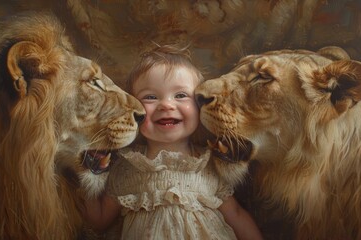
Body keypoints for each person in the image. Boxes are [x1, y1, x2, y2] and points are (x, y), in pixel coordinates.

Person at [84, 44, 263, 240]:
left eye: (180, 95)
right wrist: (82, 173)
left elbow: (236, 215)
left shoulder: (211, 164)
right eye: (150, 97)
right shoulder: (126, 169)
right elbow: (100, 221)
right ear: (133, 110)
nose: (167, 105)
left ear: (198, 106)